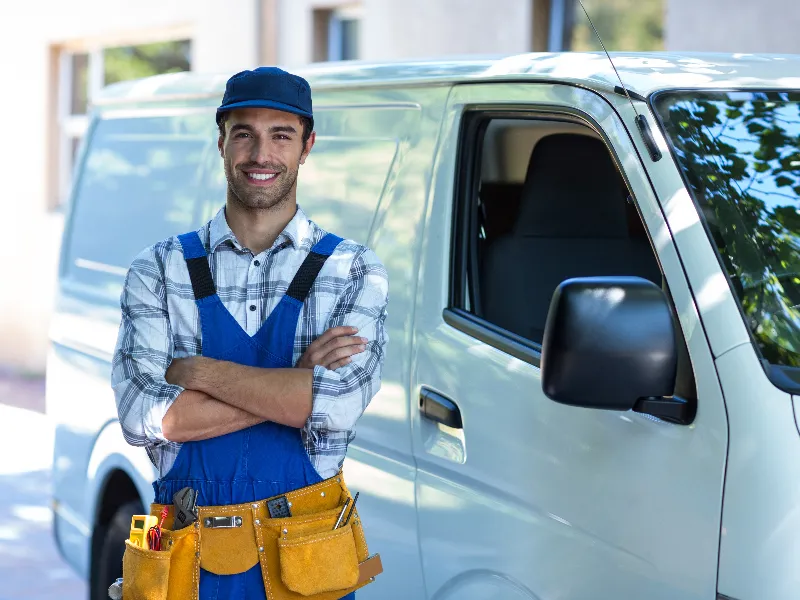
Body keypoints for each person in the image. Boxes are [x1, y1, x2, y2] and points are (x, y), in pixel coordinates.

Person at [111, 66, 388, 599]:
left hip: (307, 561)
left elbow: (339, 405)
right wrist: (295, 384)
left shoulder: (353, 269)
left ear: (307, 146)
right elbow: (145, 417)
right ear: (222, 143)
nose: (261, 154)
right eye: (244, 133)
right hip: (182, 552)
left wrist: (197, 374)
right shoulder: (158, 270)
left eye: (281, 135)